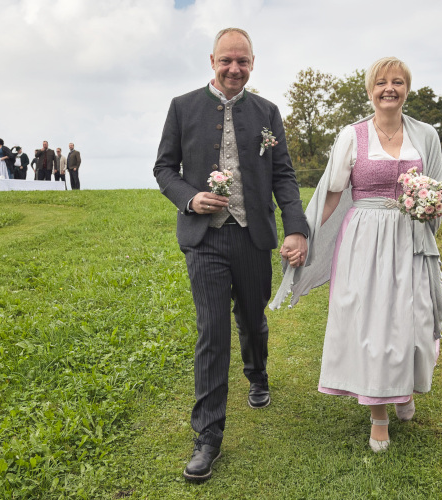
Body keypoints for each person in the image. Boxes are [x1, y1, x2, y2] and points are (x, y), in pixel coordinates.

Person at [153, 27, 309, 482]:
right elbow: (164, 167)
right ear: (212, 60)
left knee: (252, 320)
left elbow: (284, 175)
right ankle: (208, 437)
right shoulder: (182, 107)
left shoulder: (267, 112)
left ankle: (257, 373)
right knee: (212, 330)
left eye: (242, 61)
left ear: (253, 64)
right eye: (227, 61)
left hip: (253, 236)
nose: (234, 69)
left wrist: (295, 229)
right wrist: (189, 198)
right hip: (205, 240)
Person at [271, 57, 442, 453]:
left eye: (398, 82)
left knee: (413, 321)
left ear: (407, 89)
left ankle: (403, 389)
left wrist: (431, 208)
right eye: (382, 82)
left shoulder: (427, 136)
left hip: (410, 239)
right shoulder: (353, 136)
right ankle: (378, 414)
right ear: (370, 91)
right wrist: (303, 234)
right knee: (374, 326)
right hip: (364, 241)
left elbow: (438, 191)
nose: (390, 88)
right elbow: (332, 194)